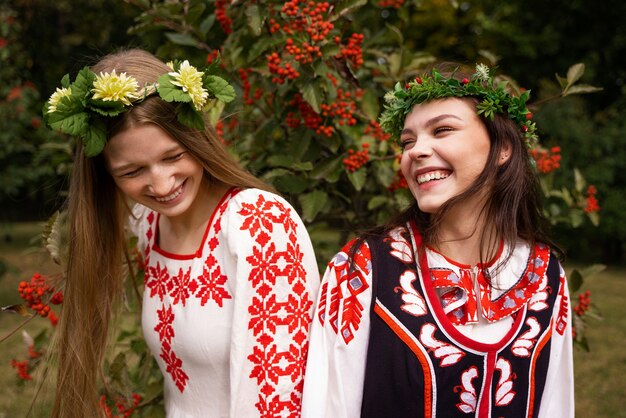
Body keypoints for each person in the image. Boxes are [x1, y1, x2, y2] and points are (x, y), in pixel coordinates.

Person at [43, 48, 320, 418]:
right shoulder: (149, 224)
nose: (161, 184)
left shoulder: (259, 222)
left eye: (173, 157)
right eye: (131, 172)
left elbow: (280, 395)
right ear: (106, 175)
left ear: (196, 138)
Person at [301, 63, 574, 417]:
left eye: (442, 130)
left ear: (503, 147)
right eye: (407, 141)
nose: (415, 151)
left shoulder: (545, 277)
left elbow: (556, 407)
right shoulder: (362, 271)